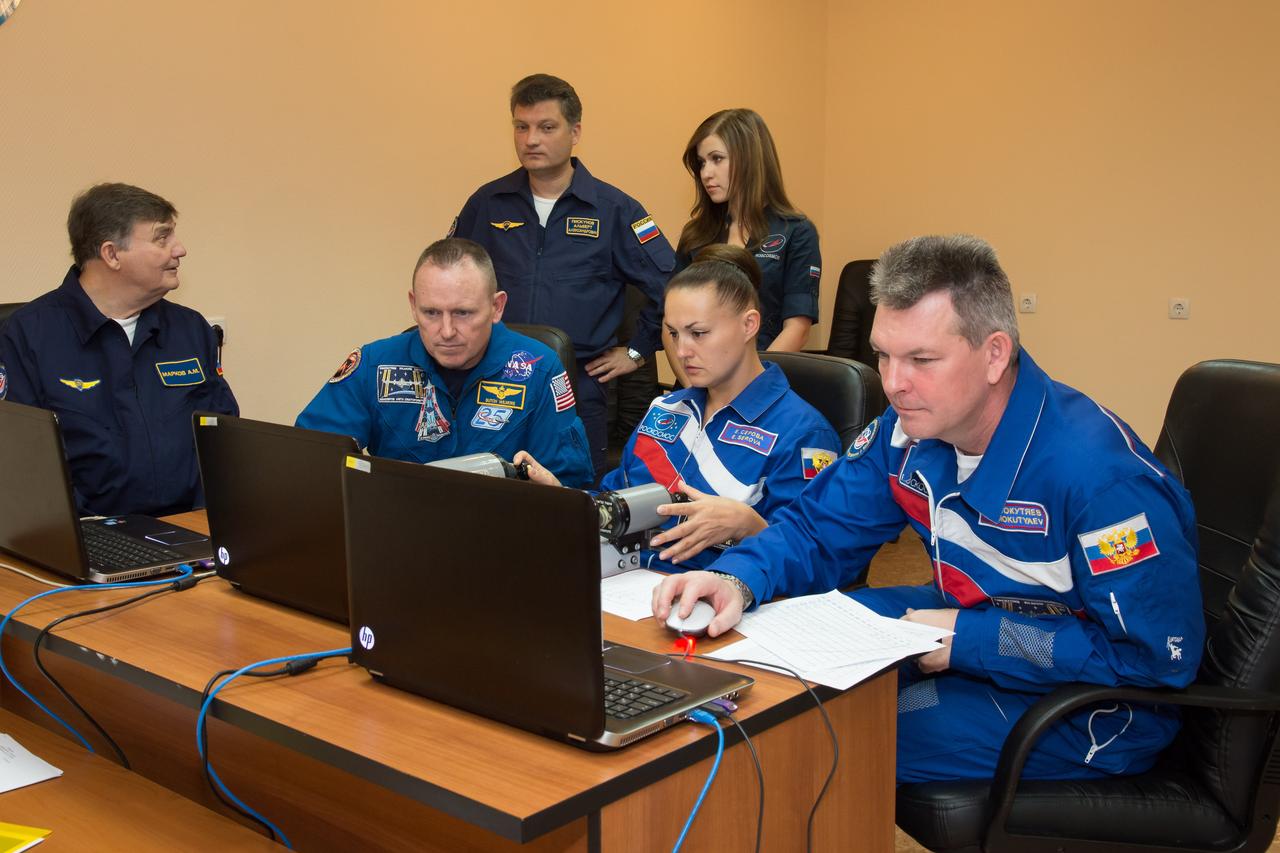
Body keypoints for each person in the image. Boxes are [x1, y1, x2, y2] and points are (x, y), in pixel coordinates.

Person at [652, 235, 1205, 783]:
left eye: (921, 359)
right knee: (761, 671)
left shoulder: (1101, 481)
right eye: (883, 355)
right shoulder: (907, 431)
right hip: (972, 618)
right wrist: (736, 579)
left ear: (994, 354)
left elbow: (1155, 661)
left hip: (1091, 707)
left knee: (819, 732)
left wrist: (975, 639)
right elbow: (818, 531)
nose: (893, 384)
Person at [517, 245, 839, 572]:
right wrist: (564, 499)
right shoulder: (666, 409)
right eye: (673, 333)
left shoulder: (803, 433)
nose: (682, 350)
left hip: (720, 599)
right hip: (623, 582)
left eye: (698, 333)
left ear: (749, 325)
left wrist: (751, 527)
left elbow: (818, 562)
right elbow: (617, 504)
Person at [450, 73, 676, 480]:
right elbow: (449, 276)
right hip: (492, 384)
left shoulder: (614, 209)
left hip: (578, 388)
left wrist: (637, 352)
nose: (531, 139)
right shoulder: (487, 203)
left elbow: (673, 286)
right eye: (522, 127)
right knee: (486, 499)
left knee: (573, 504)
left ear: (575, 133)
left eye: (546, 127)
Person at [0, 182, 238, 517]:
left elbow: (223, 439)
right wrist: (88, 535)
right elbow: (21, 464)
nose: (180, 249)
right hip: (84, 536)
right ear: (111, 254)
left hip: (191, 529)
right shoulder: (27, 335)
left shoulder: (190, 329)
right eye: (162, 237)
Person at [297, 238, 593, 488]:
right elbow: (311, 458)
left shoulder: (539, 369)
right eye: (431, 313)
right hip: (397, 531)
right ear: (413, 305)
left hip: (502, 534)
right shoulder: (375, 364)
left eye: (463, 313)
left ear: (496, 306)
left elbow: (568, 485)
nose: (447, 331)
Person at [668, 108, 821, 388]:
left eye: (717, 159)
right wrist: (693, 388)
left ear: (750, 160)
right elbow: (670, 325)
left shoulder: (796, 231)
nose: (706, 173)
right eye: (702, 163)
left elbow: (797, 329)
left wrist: (747, 389)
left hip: (758, 385)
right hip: (696, 386)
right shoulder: (696, 235)